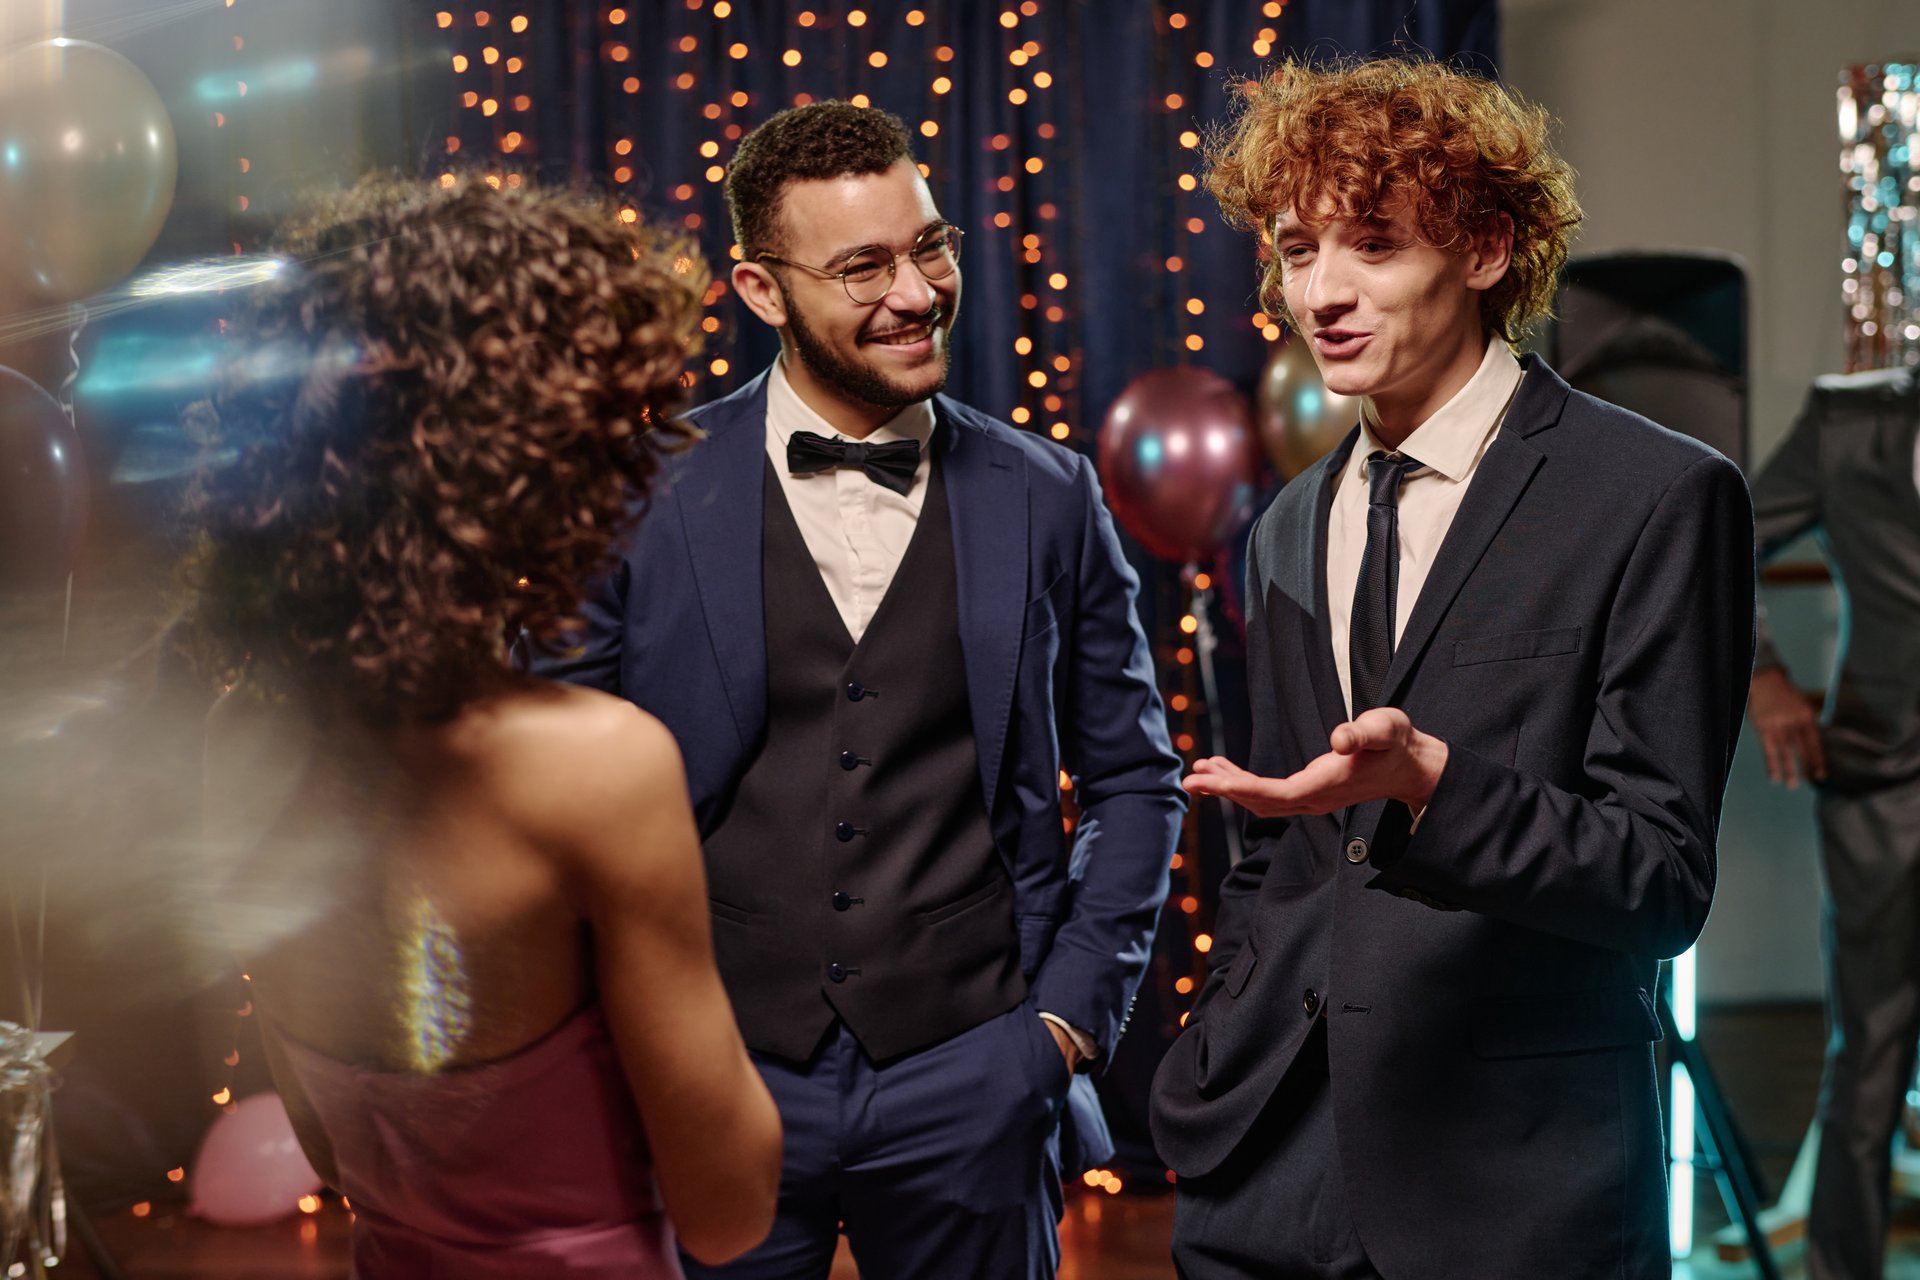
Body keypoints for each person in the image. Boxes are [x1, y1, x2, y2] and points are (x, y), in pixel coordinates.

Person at [531, 101, 1183, 1279]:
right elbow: (544, 797)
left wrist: (1060, 1029)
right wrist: (613, 1043)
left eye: (930, 246)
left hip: (976, 1073)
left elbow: (1138, 780)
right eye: (864, 265)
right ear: (763, 290)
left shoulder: (1050, 493)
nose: (918, 292)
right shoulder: (638, 494)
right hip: (709, 1068)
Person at [1148, 57, 1755, 1278]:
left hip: (1513, 1185)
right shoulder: (1283, 529)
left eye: (1371, 242)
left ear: (1484, 249)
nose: (1321, 289)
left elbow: (1661, 877)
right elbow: (1285, 851)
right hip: (1264, 1172)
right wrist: (1218, 1044)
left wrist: (1435, 781)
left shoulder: (1656, 496)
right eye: (1297, 246)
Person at [191, 175, 781, 1278]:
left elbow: (325, 1141)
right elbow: (729, 1210)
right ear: (529, 462)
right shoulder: (595, 766)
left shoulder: (238, 743)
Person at [1745, 366, 1920, 1280]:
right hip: (1886, 782)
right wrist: (1763, 675)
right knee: (1869, 1063)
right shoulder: (1849, 421)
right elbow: (1719, 541)